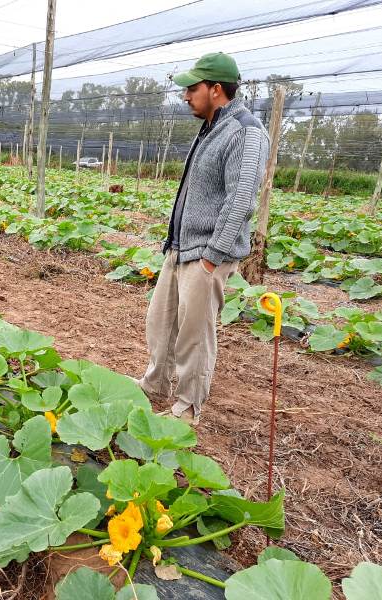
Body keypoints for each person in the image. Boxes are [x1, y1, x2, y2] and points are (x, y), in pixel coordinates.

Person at [137, 52, 270, 424]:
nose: (185, 96)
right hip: (181, 247)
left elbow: (241, 199)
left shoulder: (245, 132)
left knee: (195, 335)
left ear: (215, 89)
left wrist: (213, 255)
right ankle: (155, 385)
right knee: (161, 322)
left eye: (192, 89)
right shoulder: (212, 126)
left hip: (207, 252)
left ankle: (186, 408)